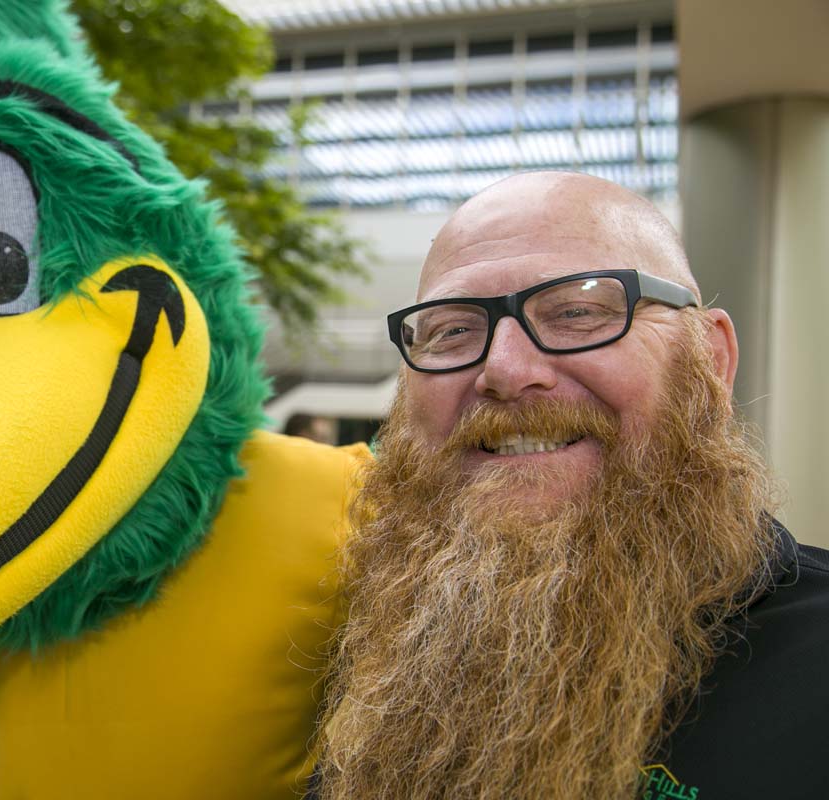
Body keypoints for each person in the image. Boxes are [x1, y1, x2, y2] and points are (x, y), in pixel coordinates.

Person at [316, 172, 829, 799]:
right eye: (453, 330)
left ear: (712, 361)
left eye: (578, 311)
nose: (503, 370)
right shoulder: (361, 649)